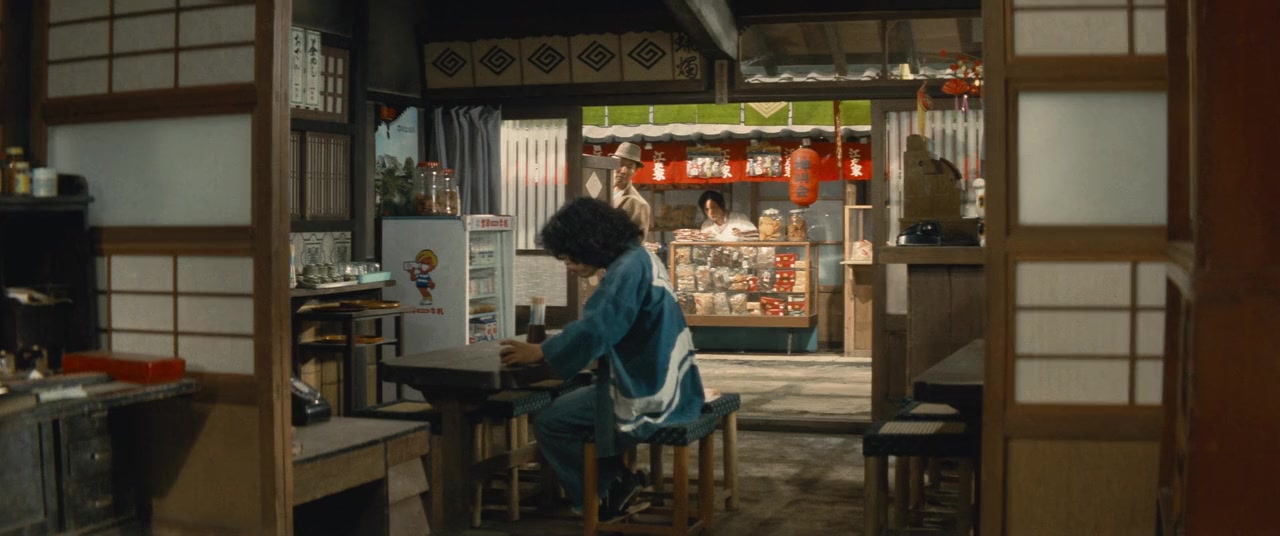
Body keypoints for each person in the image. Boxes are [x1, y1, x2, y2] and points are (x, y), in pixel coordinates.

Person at [499, 197, 705, 518]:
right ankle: (615, 482)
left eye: (569, 257)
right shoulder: (640, 258)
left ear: (588, 243)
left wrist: (540, 351)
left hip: (649, 388)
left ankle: (606, 491)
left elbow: (597, 329)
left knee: (551, 422)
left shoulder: (626, 270)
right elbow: (607, 328)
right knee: (573, 403)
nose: (569, 267)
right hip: (670, 380)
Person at [610, 142, 652, 237]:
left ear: (635, 171)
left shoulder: (638, 204)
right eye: (620, 164)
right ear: (611, 165)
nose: (623, 171)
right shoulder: (600, 191)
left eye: (629, 167)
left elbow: (636, 241)